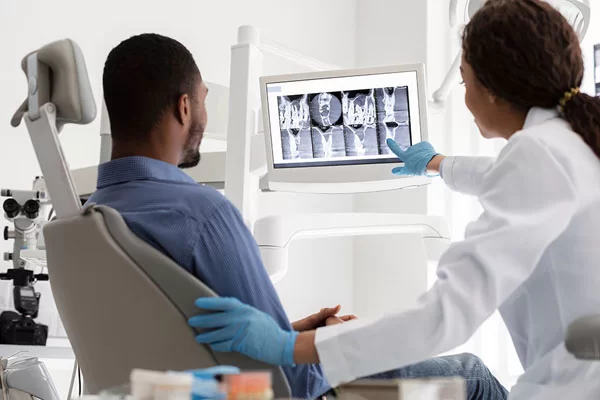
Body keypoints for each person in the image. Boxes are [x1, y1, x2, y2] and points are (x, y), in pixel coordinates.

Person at [188, 0, 600, 398]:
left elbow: (444, 317)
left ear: (492, 90)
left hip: (565, 389)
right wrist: (435, 163)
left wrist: (286, 346)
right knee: (472, 371)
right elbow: (501, 179)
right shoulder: (576, 141)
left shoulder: (536, 156)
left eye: (463, 80)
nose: (463, 93)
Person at [87, 33, 507, 399]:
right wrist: (330, 341)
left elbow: (173, 343)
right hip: (301, 393)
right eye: (201, 103)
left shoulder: (90, 220)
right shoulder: (204, 217)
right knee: (474, 376)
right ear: (183, 108)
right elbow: (293, 381)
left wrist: (294, 335)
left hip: (186, 392)